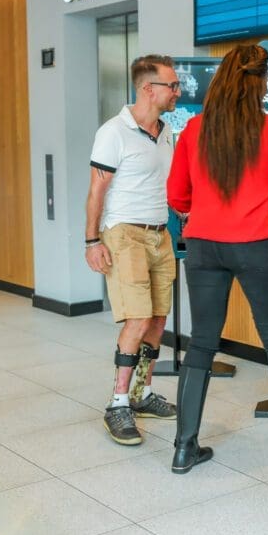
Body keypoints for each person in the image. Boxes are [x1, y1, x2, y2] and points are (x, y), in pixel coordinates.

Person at [166, 44, 268, 474]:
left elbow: (176, 195)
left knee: (201, 342)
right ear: (261, 82)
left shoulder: (195, 129)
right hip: (258, 244)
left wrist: (204, 209)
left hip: (204, 246)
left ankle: (183, 448)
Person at [85, 54, 180, 446]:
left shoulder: (167, 131)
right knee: (137, 319)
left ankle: (141, 392)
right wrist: (92, 241)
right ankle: (118, 403)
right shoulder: (114, 132)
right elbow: (97, 189)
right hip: (124, 234)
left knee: (157, 320)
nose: (177, 92)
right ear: (148, 89)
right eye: (172, 85)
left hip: (160, 233)